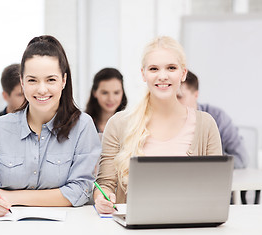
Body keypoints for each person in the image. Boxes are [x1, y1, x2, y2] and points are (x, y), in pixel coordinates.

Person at [0, 35, 101, 217]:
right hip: (7, 226)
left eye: (51, 80)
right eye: (32, 80)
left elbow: (79, 191)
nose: (41, 89)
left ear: (63, 81)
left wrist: (12, 197)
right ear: (22, 82)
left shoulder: (83, 126)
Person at [94, 36, 222, 214]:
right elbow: (105, 184)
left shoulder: (206, 124)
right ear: (143, 74)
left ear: (183, 73)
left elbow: (216, 188)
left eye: (171, 68)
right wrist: (102, 199)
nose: (162, 76)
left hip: (190, 227)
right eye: (154, 69)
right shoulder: (118, 124)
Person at [177, 70, 248, 169]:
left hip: (210, 178)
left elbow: (241, 160)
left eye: (179, 97)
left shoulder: (218, 118)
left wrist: (212, 156)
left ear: (196, 95)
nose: (174, 102)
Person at [85, 68, 127, 133]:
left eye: (116, 93)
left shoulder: (130, 125)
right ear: (95, 93)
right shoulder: (84, 124)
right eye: (105, 93)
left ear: (122, 93)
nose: (111, 99)